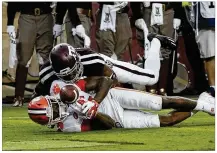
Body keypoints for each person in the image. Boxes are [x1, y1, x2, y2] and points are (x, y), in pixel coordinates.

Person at [28, 76, 215, 132]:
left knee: (161, 102)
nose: (58, 110)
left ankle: (209, 107)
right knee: (164, 121)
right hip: (117, 118)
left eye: (53, 106)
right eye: (54, 113)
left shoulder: (60, 88)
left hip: (112, 97)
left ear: (51, 98)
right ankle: (203, 102)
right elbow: (107, 126)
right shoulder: (68, 126)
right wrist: (94, 114)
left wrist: (94, 102)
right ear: (51, 122)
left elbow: (105, 81)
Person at [33, 35, 176, 98]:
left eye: (72, 72)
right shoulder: (46, 74)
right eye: (66, 76)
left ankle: (156, 40)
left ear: (77, 61)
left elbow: (111, 81)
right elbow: (39, 94)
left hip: (106, 67)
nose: (71, 78)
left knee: (151, 78)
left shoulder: (92, 60)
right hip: (88, 80)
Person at [7, 2, 54, 107]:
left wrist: (59, 20)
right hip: (26, 16)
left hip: (46, 15)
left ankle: (45, 95)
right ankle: (19, 97)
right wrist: (10, 23)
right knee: (23, 57)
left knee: (45, 59)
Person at [131, 2, 181, 95]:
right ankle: (151, 89)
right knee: (149, 48)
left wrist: (178, 14)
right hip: (149, 9)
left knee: (166, 48)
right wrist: (137, 15)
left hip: (167, 10)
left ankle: (163, 89)